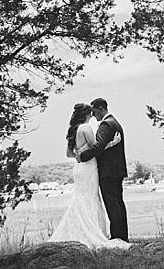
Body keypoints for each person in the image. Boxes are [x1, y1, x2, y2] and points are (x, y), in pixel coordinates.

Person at [46, 103, 130, 249]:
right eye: (90, 112)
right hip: (89, 167)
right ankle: (93, 232)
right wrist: (112, 143)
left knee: (81, 199)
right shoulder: (86, 128)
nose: (92, 115)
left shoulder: (73, 130)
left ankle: (79, 231)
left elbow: (69, 153)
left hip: (79, 169)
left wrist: (79, 156)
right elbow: (97, 148)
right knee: (91, 199)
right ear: (86, 114)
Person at [77, 97, 129, 242]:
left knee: (112, 204)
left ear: (101, 109)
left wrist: (83, 156)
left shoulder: (106, 124)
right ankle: (122, 236)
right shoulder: (115, 122)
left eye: (94, 112)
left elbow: (98, 147)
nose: (93, 116)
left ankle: (117, 237)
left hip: (108, 171)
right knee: (118, 203)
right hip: (116, 170)